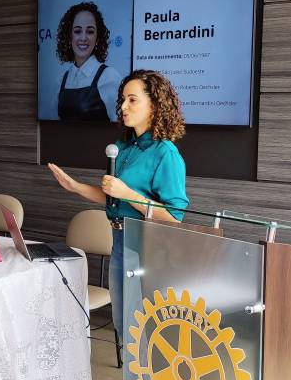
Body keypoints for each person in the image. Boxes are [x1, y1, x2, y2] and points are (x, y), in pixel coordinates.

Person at [47, 69, 189, 337]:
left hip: (147, 249)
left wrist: (129, 194)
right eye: (123, 99)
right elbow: (113, 196)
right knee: (123, 327)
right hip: (119, 243)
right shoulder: (122, 148)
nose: (123, 106)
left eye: (132, 100)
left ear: (155, 105)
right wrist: (75, 187)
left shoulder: (165, 153)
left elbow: (174, 216)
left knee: (143, 333)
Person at [52, 2, 122, 121]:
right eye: (77, 31)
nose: (83, 38)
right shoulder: (60, 81)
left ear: (97, 38)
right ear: (69, 36)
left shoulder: (109, 77)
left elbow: (122, 126)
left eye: (90, 31)